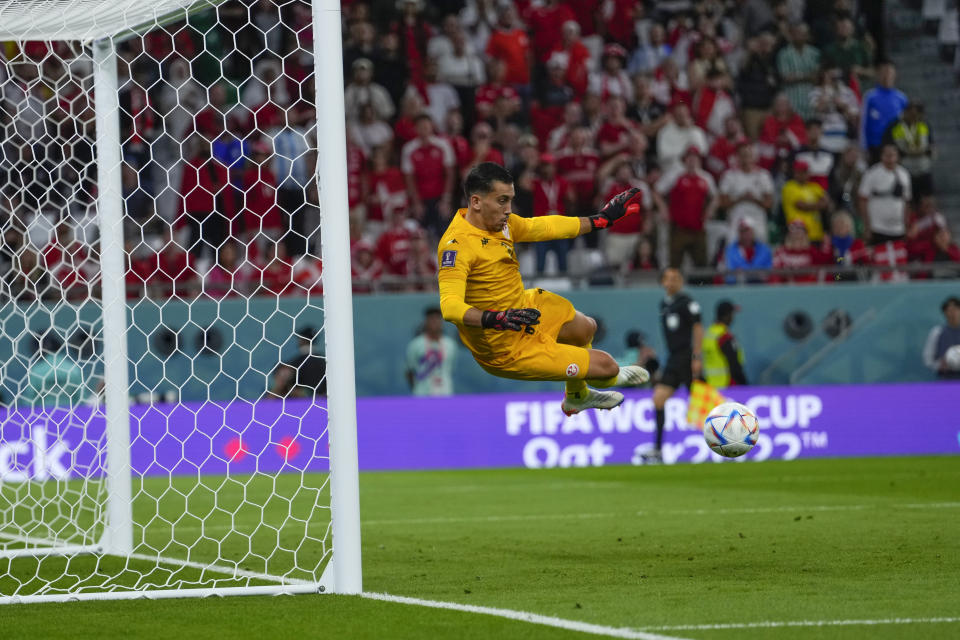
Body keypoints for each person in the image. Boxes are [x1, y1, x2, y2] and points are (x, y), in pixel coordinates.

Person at [437, 162, 649, 416]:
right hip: (505, 346)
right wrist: (495, 318)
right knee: (607, 368)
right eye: (502, 201)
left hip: (523, 309)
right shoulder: (456, 246)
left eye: (511, 200)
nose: (508, 210)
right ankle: (606, 378)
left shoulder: (501, 223)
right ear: (476, 202)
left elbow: (543, 227)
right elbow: (450, 307)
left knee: (586, 329)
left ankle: (577, 396)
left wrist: (599, 220)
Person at [644, 267, 702, 465]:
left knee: (703, 404)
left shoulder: (687, 303)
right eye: (668, 278)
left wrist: (696, 356)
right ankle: (658, 450)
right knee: (658, 399)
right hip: (673, 359)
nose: (672, 282)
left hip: (687, 357)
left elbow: (697, 327)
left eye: (676, 278)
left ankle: (729, 442)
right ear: (662, 282)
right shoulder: (665, 304)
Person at [857, 144, 912, 245]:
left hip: (898, 228)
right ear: (882, 156)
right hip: (877, 227)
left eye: (893, 155)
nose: (890, 158)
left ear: (897, 156)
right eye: (887, 155)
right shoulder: (872, 173)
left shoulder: (904, 174)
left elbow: (907, 202)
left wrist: (906, 225)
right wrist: (867, 226)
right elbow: (862, 199)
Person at [860, 60, 908, 163]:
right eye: (884, 73)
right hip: (875, 146)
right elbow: (863, 124)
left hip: (896, 146)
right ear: (878, 75)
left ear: (895, 75)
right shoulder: (870, 96)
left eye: (890, 73)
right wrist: (863, 148)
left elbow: (906, 124)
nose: (887, 76)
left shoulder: (901, 98)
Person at [405, 307, 458, 396]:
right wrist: (417, 388)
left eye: (437, 318)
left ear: (441, 321)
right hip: (422, 395)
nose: (434, 321)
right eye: (431, 318)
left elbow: (451, 369)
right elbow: (410, 371)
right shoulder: (416, 344)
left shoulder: (450, 345)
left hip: (445, 393)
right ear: (426, 322)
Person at [702, 300, 747, 390]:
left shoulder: (709, 333)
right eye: (732, 314)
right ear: (726, 315)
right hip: (727, 386)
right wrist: (744, 385)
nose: (733, 318)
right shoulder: (724, 336)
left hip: (710, 386)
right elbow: (734, 364)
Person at [271, 327, 327, 398]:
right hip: (324, 403)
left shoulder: (294, 363)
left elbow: (281, 385)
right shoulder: (325, 361)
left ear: (302, 340)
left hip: (300, 404)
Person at [724, 219, 773, 284]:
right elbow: (729, 277)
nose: (744, 234)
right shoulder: (730, 250)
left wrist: (744, 272)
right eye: (741, 231)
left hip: (761, 287)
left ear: (753, 232)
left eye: (747, 230)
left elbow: (769, 273)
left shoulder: (765, 249)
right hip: (738, 287)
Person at [922, 297, 960, 380]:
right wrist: (939, 365)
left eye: (956, 309)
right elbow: (928, 358)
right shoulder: (937, 332)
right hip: (945, 381)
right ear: (945, 313)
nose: (953, 313)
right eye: (949, 310)